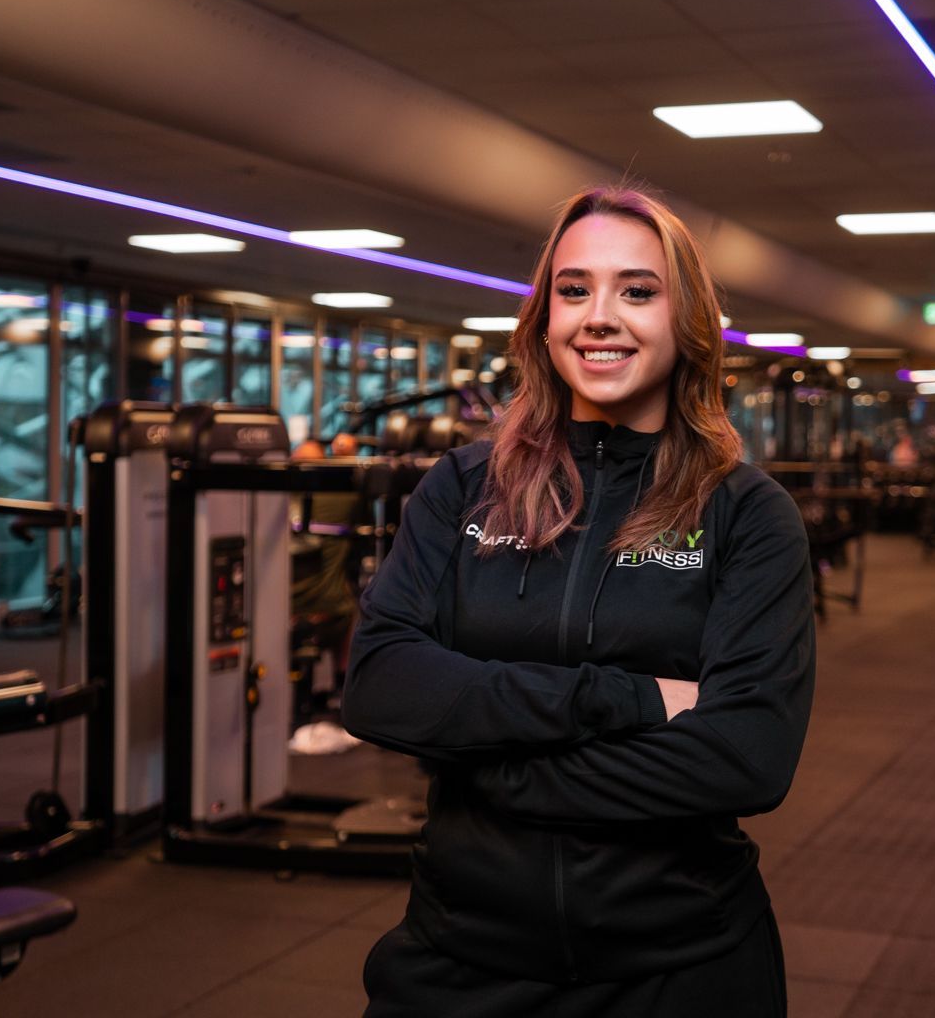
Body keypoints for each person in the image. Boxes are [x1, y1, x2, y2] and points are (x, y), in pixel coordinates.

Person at [343, 185, 815, 1017]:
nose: (599, 315)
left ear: (688, 322)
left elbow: (746, 754)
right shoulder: (461, 489)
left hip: (679, 966)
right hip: (461, 958)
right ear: (544, 319)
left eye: (637, 290)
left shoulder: (745, 512)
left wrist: (483, 763)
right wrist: (630, 697)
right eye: (573, 290)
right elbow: (381, 683)